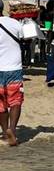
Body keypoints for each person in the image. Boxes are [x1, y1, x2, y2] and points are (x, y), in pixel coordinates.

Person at [0, 9, 23, 146]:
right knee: (15, 101)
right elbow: (26, 37)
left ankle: (4, 132)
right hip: (14, 67)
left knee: (1, 103)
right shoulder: (14, 23)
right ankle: (12, 130)